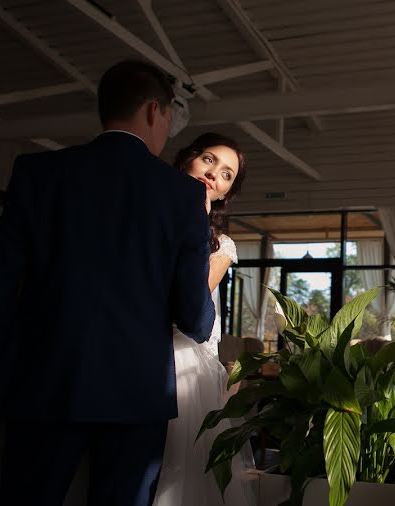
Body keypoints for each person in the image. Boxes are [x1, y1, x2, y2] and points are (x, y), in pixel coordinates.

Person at [0, 60, 215, 506]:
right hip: (137, 394)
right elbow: (194, 316)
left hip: (44, 388)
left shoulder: (38, 174)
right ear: (155, 111)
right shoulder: (183, 195)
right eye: (169, 118)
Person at [152, 133, 253, 506]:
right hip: (138, 351)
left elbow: (187, 306)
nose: (215, 175)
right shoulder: (152, 215)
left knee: (177, 477)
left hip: (182, 366)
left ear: (226, 193)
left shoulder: (221, 245)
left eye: (227, 174)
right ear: (187, 160)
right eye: (209, 160)